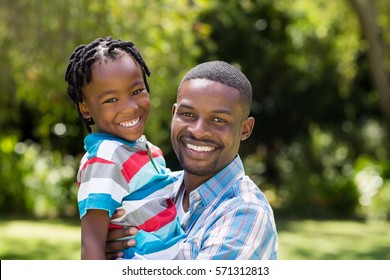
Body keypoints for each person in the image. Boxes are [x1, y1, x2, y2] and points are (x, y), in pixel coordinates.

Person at [105, 60, 278, 260]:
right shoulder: (156, 188)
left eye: (218, 120)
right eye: (187, 114)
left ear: (245, 129)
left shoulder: (246, 214)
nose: (198, 130)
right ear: (174, 114)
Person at [64, 37, 186, 260]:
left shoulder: (148, 151)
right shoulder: (105, 159)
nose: (130, 107)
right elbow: (91, 242)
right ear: (85, 108)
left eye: (136, 91)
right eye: (111, 100)